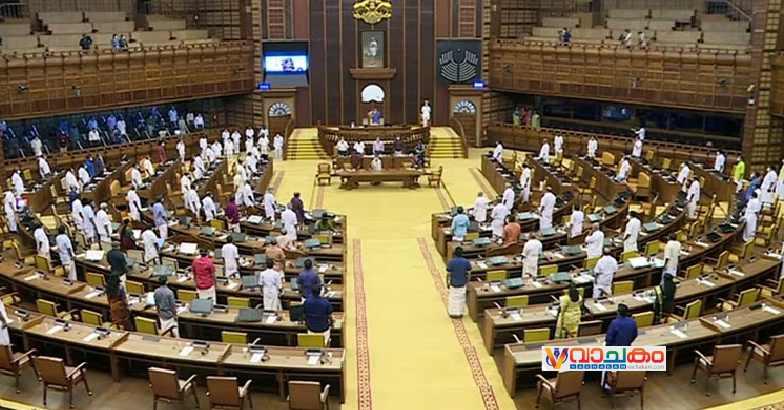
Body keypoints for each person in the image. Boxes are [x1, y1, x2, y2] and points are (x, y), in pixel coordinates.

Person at [105, 242, 130, 329]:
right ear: (118, 246)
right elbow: (124, 265)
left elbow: (109, 262)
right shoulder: (121, 254)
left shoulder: (109, 253)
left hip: (113, 272)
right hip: (121, 273)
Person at [446, 247, 471, 318]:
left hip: (453, 283)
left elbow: (448, 274)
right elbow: (469, 274)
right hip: (463, 283)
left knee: (452, 299)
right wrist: (467, 282)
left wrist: (447, 283)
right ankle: (460, 313)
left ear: (454, 254)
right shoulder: (466, 262)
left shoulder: (451, 262)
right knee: (461, 299)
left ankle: (452, 313)